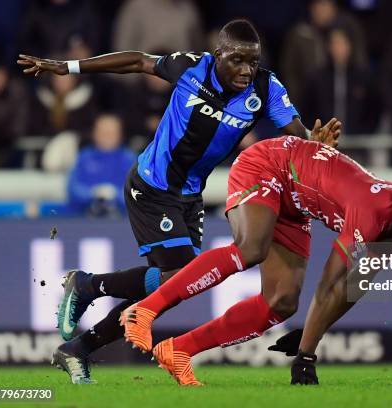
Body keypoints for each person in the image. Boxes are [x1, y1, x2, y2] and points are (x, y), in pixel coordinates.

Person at [18, 19, 341, 384]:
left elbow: (297, 136)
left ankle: (78, 347)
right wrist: (68, 67)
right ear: (218, 54)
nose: (246, 70)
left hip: (190, 196)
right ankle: (88, 286)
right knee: (179, 278)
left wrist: (315, 144)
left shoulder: (265, 88)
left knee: (172, 287)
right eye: (237, 60)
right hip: (152, 185)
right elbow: (138, 60)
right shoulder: (192, 67)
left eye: (252, 62)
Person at [121, 135, 392, 386]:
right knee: (251, 248)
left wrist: (308, 335)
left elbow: (353, 287)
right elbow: (331, 282)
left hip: (295, 200)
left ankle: (177, 350)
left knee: (282, 302)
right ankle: (145, 310)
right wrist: (306, 355)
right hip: (269, 164)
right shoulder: (374, 211)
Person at [67, 114, 136, 216]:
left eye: (112, 133)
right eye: (103, 132)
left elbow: (138, 193)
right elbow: (73, 189)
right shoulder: (84, 157)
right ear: (94, 133)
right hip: (84, 216)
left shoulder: (130, 159)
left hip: (122, 218)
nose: (107, 136)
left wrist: (115, 194)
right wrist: (93, 193)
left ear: (120, 135)